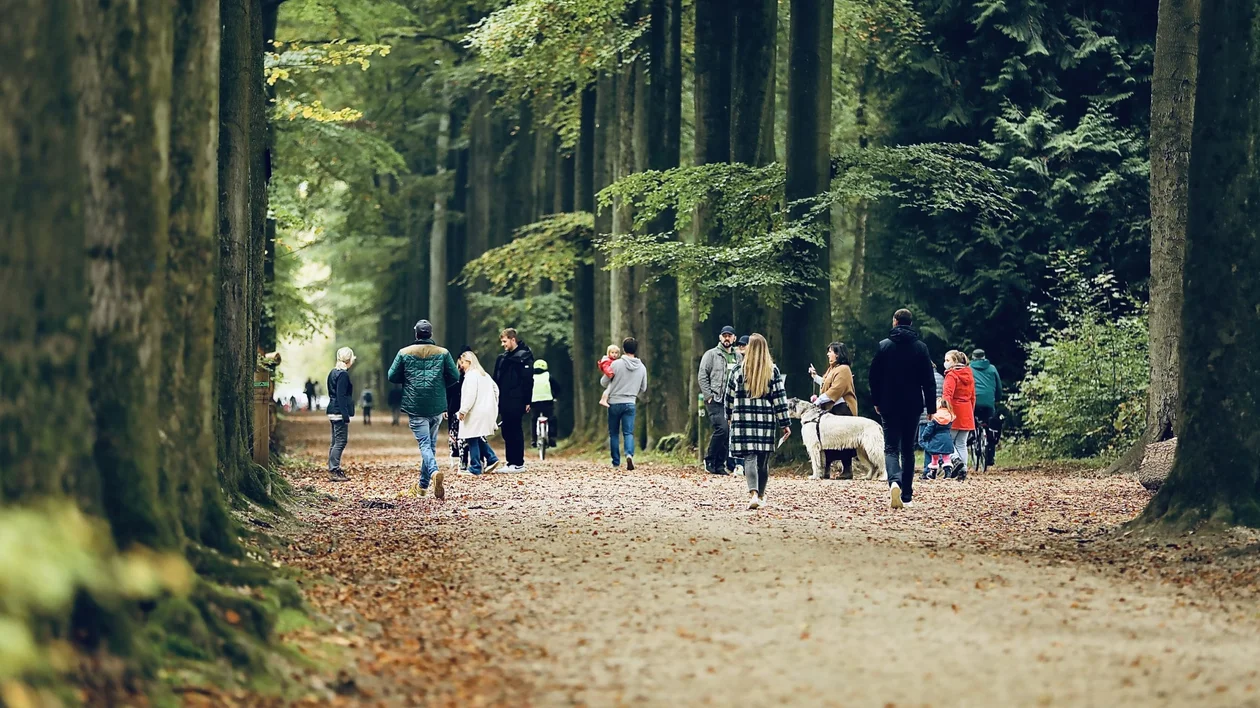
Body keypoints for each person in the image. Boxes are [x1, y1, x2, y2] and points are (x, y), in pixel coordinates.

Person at [868, 308, 936, 509]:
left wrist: (877, 401)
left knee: (890, 447)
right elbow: (929, 380)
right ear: (911, 323)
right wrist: (931, 407)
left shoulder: (884, 346)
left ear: (895, 322)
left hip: (889, 404)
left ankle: (894, 482)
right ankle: (907, 495)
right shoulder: (920, 348)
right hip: (913, 405)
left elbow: (874, 377)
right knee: (908, 449)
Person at [388, 319, 460, 499]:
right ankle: (422, 487)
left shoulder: (404, 353)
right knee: (431, 446)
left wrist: (407, 380)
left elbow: (392, 376)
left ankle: (434, 472)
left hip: (416, 405)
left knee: (425, 445)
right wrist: (441, 385)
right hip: (437, 406)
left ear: (416, 334)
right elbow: (455, 376)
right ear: (431, 333)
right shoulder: (443, 353)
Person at [725, 333, 791, 510]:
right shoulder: (772, 371)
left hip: (743, 421)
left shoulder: (737, 371)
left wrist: (729, 416)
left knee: (750, 458)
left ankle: (753, 493)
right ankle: (760, 495)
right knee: (763, 461)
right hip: (765, 422)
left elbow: (728, 398)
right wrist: (785, 423)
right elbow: (779, 398)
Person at [810, 342, 859, 478]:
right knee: (828, 439)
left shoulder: (843, 369)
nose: (828, 354)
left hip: (842, 409)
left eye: (830, 351)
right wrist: (815, 377)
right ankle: (826, 468)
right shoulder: (833, 368)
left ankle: (847, 469)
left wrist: (818, 401)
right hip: (832, 409)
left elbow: (836, 389)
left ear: (838, 354)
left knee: (844, 439)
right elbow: (827, 384)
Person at [698, 326, 741, 475]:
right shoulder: (711, 355)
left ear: (734, 338)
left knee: (728, 431)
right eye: (724, 336)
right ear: (720, 337)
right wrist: (708, 395)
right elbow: (702, 376)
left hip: (733, 401)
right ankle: (709, 459)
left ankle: (719, 465)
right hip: (715, 399)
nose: (727, 338)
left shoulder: (738, 357)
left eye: (730, 336)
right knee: (722, 428)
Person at [601, 337, 648, 470]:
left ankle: (616, 462)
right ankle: (629, 454)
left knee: (614, 433)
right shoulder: (642, 367)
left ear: (623, 349)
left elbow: (603, 382)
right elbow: (644, 388)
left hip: (614, 402)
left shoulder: (615, 364)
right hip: (630, 402)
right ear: (636, 349)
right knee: (628, 432)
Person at [493, 328, 534, 472]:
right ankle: (511, 462)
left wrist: (527, 401)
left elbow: (528, 381)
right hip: (504, 400)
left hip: (517, 400)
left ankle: (518, 462)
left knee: (515, 429)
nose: (503, 344)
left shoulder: (524, 357)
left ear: (512, 339)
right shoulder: (503, 358)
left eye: (505, 341)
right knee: (507, 430)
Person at [457, 351, 503, 476]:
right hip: (486, 410)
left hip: (475, 411)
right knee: (476, 436)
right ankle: (491, 458)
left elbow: (470, 395)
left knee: (471, 437)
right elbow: (496, 390)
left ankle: (475, 467)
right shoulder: (484, 375)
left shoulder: (471, 376)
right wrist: (492, 403)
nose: (461, 366)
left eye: (462, 363)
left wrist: (463, 410)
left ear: (469, 362)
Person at [942, 350, 976, 480]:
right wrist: (970, 412)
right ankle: (963, 470)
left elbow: (947, 395)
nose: (945, 363)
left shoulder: (951, 375)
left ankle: (955, 460)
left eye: (947, 360)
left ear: (955, 362)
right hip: (967, 411)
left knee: (947, 440)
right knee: (961, 443)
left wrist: (946, 411)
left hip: (954, 410)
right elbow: (973, 397)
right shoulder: (969, 374)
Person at [326, 348, 356, 482]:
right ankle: (334, 469)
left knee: (335, 441)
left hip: (332, 410)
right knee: (341, 441)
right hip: (338, 411)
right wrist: (345, 415)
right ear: (349, 360)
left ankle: (333, 468)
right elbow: (341, 395)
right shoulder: (343, 375)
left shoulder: (333, 372)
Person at [969, 348, 1002, 466]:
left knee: (971, 419)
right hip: (988, 403)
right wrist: (996, 399)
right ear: (984, 357)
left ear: (973, 357)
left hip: (973, 402)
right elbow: (998, 388)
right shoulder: (992, 368)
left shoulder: (969, 369)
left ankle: (971, 435)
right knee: (990, 427)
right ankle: (990, 457)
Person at [920, 363, 946, 479]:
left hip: (925, 415)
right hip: (940, 414)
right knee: (934, 440)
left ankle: (931, 467)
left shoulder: (922, 377)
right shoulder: (941, 377)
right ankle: (930, 469)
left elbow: (922, 398)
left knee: (923, 440)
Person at [919, 398, 957, 477]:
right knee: (946, 457)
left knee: (934, 457)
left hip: (936, 440)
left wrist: (924, 437)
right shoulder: (950, 416)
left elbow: (929, 429)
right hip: (947, 439)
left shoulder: (935, 417)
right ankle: (948, 472)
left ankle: (933, 473)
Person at [531, 359, 560, 449]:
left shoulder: (531, 377)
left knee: (534, 419)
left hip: (534, 401)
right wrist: (555, 396)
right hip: (548, 401)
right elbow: (557, 387)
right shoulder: (548, 376)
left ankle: (534, 439)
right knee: (552, 419)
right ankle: (552, 438)